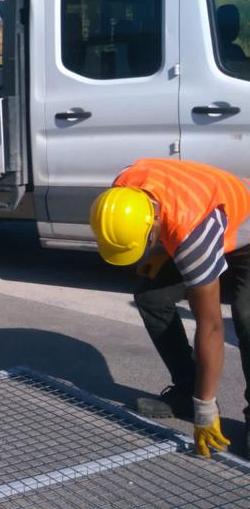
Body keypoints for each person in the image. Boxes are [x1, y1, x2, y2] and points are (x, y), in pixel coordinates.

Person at [90, 158, 250, 457]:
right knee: (152, 298)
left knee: (247, 317)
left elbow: (212, 326)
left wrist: (206, 411)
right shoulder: (122, 194)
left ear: (154, 223)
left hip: (244, 231)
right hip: (199, 213)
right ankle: (187, 391)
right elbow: (163, 202)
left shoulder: (194, 235)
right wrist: (160, 252)